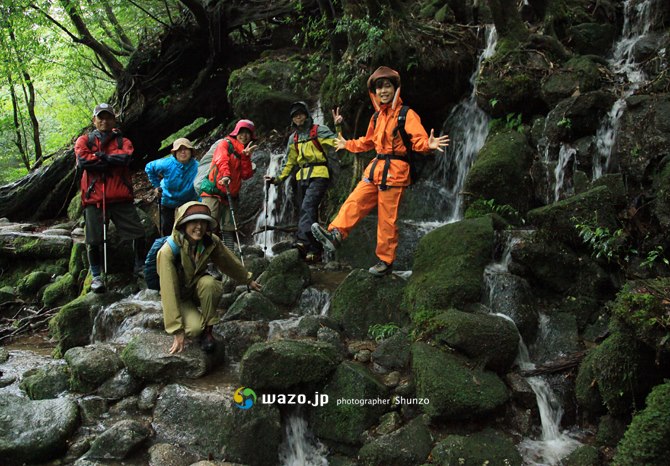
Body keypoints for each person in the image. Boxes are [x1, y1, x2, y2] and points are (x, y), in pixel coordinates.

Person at [311, 66, 450, 276]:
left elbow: (418, 140)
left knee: (387, 219)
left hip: (395, 172)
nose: (383, 91)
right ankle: (336, 234)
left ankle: (385, 261)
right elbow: (368, 142)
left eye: (387, 86)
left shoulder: (406, 114)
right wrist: (347, 144)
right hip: (375, 169)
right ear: (374, 92)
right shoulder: (377, 117)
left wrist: (428, 145)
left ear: (395, 89)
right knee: (354, 201)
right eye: (379, 87)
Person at [157, 201, 261, 354]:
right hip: (179, 296)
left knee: (211, 284)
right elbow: (168, 292)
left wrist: (247, 279)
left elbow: (228, 262)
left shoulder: (210, 241)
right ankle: (197, 327)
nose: (199, 227)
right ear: (183, 224)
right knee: (193, 330)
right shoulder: (168, 252)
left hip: (196, 287)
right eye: (193, 222)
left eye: (203, 222)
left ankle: (208, 330)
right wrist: (176, 330)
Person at [74, 103, 146, 293]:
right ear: (94, 120)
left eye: (108, 117)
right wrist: (109, 159)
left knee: (138, 232)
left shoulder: (123, 141)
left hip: (121, 197)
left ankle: (139, 267)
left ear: (114, 120)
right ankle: (96, 276)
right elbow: (84, 161)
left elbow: (125, 158)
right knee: (93, 239)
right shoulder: (84, 140)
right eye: (100, 117)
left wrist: (101, 157)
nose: (104, 121)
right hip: (95, 198)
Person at [265, 102, 343, 262]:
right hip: (302, 178)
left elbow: (338, 144)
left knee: (307, 207)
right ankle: (315, 251)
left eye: (300, 114)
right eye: (294, 115)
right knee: (307, 211)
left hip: (319, 174)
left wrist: (338, 127)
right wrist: (277, 179)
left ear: (307, 115)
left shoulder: (319, 131)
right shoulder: (293, 139)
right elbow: (288, 162)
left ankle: (302, 242)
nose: (298, 117)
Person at [200, 119, 258, 253]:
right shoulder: (225, 144)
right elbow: (222, 160)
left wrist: (246, 158)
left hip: (230, 196)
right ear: (236, 133)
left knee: (228, 230)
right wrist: (226, 176)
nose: (244, 136)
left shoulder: (244, 151)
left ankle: (228, 262)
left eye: (247, 134)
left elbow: (246, 175)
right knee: (207, 226)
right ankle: (203, 259)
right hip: (213, 192)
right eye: (241, 133)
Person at [145, 137, 199, 236]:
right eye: (179, 149)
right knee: (167, 228)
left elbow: (202, 184)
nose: (183, 152)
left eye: (186, 149)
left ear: (191, 152)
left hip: (188, 200)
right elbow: (149, 167)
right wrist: (156, 185)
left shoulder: (197, 167)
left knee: (188, 228)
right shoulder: (166, 163)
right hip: (168, 199)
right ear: (174, 153)